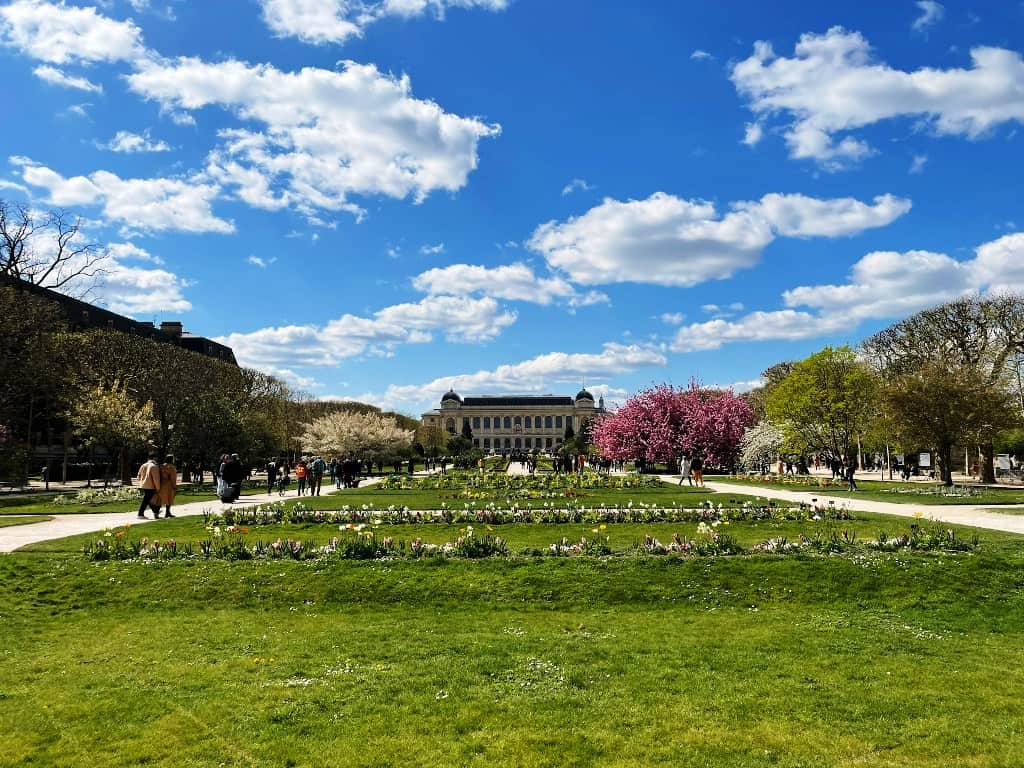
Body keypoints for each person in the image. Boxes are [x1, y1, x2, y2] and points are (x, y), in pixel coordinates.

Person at [136, 453, 161, 519]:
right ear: (154, 458)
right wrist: (158, 487)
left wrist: (142, 481)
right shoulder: (154, 466)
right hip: (150, 486)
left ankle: (155, 511)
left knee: (147, 499)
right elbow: (156, 478)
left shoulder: (143, 465)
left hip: (143, 485)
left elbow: (138, 476)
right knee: (146, 500)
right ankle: (140, 513)